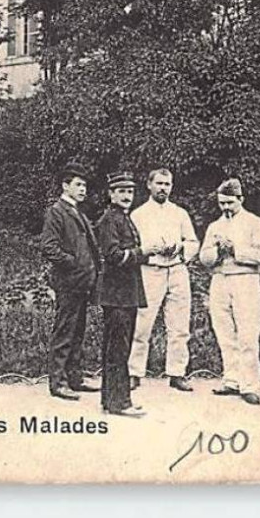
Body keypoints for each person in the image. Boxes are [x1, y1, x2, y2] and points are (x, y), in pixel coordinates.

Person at [198, 177, 260, 406]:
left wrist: (236, 249)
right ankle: (231, 379)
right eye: (222, 203)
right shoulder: (214, 226)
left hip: (245, 280)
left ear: (241, 199)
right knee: (224, 332)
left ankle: (249, 385)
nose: (226, 208)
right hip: (220, 279)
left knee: (247, 333)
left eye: (230, 203)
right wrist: (217, 252)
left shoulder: (255, 223)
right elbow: (203, 257)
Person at [128, 168, 201, 393]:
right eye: (159, 183)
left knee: (179, 325)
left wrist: (180, 249)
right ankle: (134, 372)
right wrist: (150, 251)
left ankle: (177, 372)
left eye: (167, 184)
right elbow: (132, 245)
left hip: (177, 270)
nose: (163, 188)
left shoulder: (179, 213)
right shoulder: (137, 215)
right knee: (142, 323)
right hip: (150, 271)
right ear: (149, 185)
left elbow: (192, 242)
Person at [40, 161, 101, 401]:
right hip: (68, 282)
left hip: (82, 282)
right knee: (64, 332)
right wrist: (73, 263)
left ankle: (74, 378)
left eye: (84, 185)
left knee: (77, 332)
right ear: (65, 186)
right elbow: (48, 247)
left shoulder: (78, 212)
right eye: (78, 185)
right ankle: (58, 382)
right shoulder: (57, 211)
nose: (83, 189)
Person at [93, 171, 147, 417]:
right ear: (111, 194)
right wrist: (142, 252)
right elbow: (113, 255)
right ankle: (118, 403)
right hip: (117, 294)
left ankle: (115, 400)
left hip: (126, 292)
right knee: (117, 349)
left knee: (120, 348)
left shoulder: (123, 218)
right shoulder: (109, 220)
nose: (127, 196)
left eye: (130, 191)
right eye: (122, 191)